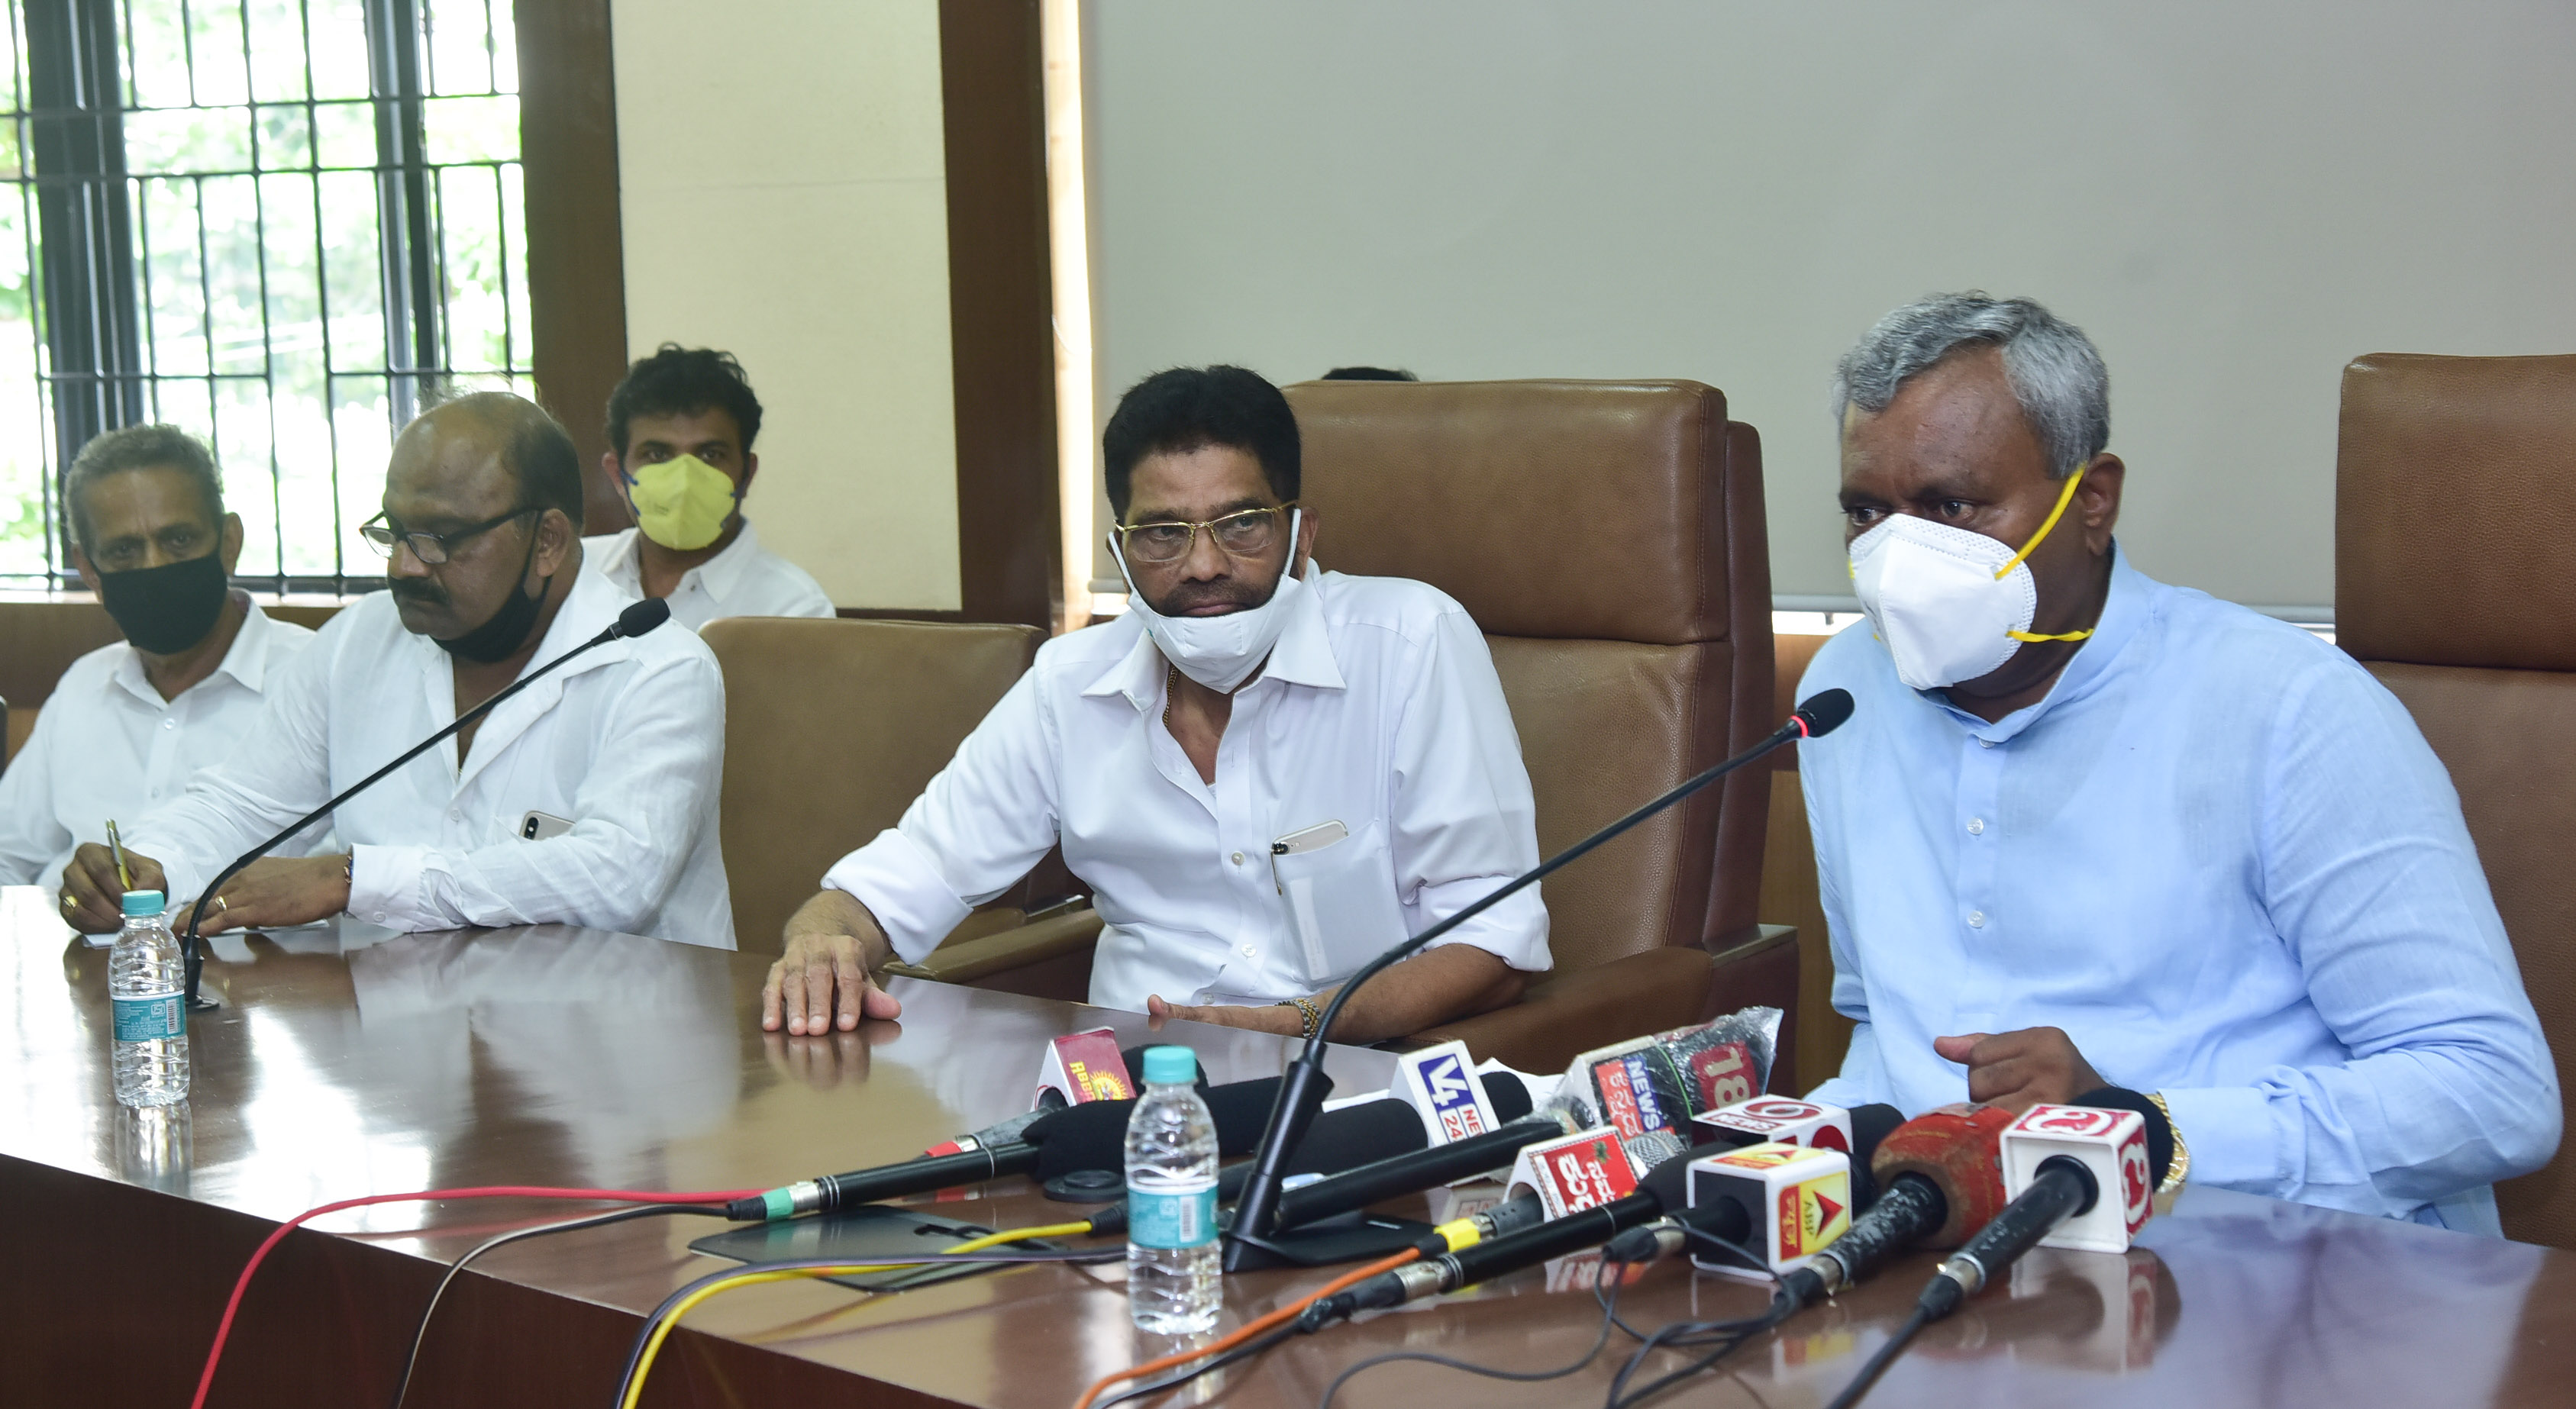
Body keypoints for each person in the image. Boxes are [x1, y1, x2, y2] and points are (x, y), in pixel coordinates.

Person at [1799, 292, 2558, 1232]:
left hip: (2266, 1265)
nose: (1896, 557)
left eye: (1949, 505)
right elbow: (1885, 1032)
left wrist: (2144, 1129)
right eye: (1866, 511)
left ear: (2091, 500)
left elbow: (2491, 1093)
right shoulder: (1842, 692)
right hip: (1960, 1250)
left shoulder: (2286, 708)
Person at [761, 366, 1549, 1039]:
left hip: (1348, 1075)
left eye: (1241, 525)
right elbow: (901, 879)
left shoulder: (1410, 641)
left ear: (1301, 535)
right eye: (1163, 534)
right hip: (1124, 1093)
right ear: (1120, 549)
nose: (1203, 565)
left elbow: (1494, 943)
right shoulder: (1070, 683)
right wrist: (824, 940)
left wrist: (1296, 1027)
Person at [57, 393, 736, 948]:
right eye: (394, 531)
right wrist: (149, 868)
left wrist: (355, 881)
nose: (404, 566)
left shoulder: (659, 669)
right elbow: (243, 803)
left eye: (439, 539)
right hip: (409, 1038)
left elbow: (615, 878)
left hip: (623, 1043)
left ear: (548, 540)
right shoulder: (362, 640)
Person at [2, 426, 320, 898]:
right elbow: (9, 857)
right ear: (89, 570)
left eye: (179, 540)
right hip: (75, 943)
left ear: (229, 543)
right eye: (124, 550)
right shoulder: (84, 686)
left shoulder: (316, 678)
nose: (154, 567)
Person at [583, 344, 833, 628]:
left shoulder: (795, 611)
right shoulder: (572, 575)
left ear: (747, 475)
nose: (684, 481)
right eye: (657, 455)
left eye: (711, 455)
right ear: (617, 475)